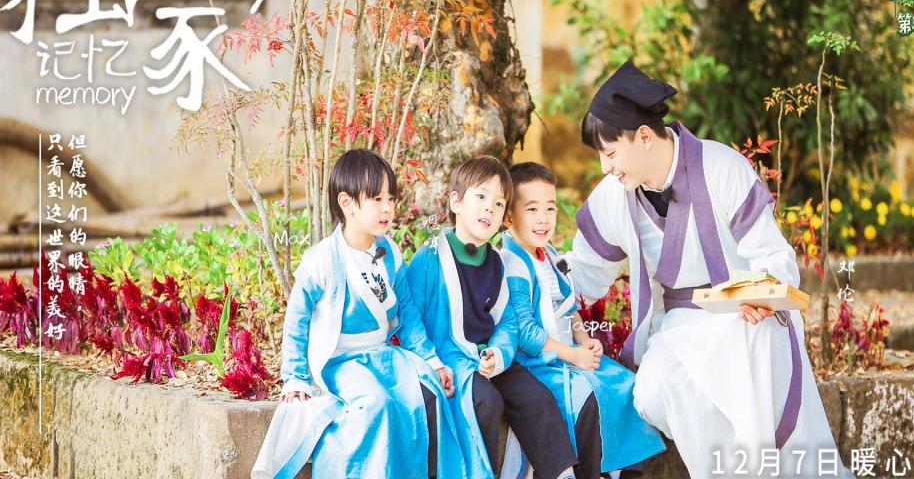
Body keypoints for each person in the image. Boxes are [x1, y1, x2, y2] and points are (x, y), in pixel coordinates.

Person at [565, 61, 852, 478]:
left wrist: (761, 294)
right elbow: (580, 273)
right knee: (654, 389)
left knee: (753, 357)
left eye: (610, 154)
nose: (605, 167)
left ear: (643, 137)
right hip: (679, 327)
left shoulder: (721, 166)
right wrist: (527, 280)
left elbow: (773, 256)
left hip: (744, 318)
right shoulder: (613, 195)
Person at [252, 148, 464, 479]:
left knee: (425, 393)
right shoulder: (322, 259)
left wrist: (432, 360)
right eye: (377, 199)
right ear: (347, 203)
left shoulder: (390, 252)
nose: (387, 208)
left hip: (383, 355)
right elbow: (297, 319)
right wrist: (295, 377)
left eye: (390, 199)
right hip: (340, 361)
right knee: (376, 403)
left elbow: (407, 313)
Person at [407, 156, 580, 479]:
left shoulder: (497, 263)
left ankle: (562, 474)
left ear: (503, 218)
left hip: (489, 358)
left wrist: (498, 354)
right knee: (484, 402)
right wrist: (431, 360)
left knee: (536, 397)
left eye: (499, 203)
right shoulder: (430, 257)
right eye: (481, 197)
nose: (490, 207)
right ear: (456, 202)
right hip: (449, 358)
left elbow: (507, 323)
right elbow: (410, 317)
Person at [500, 161, 667, 479]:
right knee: (588, 398)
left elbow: (569, 306)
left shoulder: (548, 254)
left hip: (568, 354)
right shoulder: (513, 264)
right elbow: (525, 332)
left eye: (550, 208)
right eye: (532, 209)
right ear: (509, 217)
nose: (543, 218)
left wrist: (584, 340)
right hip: (539, 362)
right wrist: (572, 355)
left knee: (628, 386)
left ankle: (624, 473)